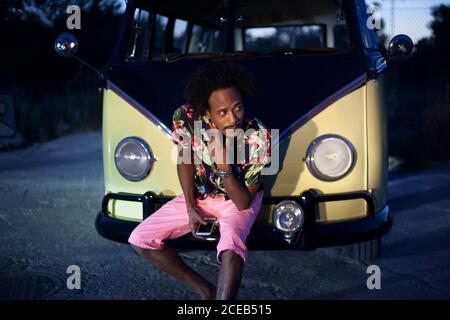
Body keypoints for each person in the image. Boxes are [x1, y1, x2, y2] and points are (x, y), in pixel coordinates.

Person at [128, 60, 271, 300]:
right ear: (207, 113)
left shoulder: (258, 136)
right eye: (222, 113)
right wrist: (190, 206)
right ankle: (207, 291)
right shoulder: (186, 117)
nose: (233, 118)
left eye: (237, 108)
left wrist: (225, 166)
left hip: (238, 198)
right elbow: (185, 158)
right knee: (140, 239)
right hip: (202, 196)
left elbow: (243, 202)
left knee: (231, 246)